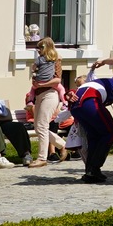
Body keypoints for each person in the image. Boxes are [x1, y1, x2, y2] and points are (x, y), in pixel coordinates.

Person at [66, 70, 113, 182]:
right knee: (111, 131)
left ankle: (90, 170)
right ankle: (94, 168)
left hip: (76, 106)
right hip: (90, 102)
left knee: (94, 136)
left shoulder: (100, 82)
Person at [27, 37, 66, 166]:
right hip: (39, 95)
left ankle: (42, 158)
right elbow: (35, 79)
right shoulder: (40, 62)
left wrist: (42, 84)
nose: (38, 50)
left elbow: (57, 80)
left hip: (50, 94)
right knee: (39, 128)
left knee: (42, 126)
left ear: (47, 47)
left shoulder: (56, 61)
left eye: (40, 47)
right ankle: (63, 145)